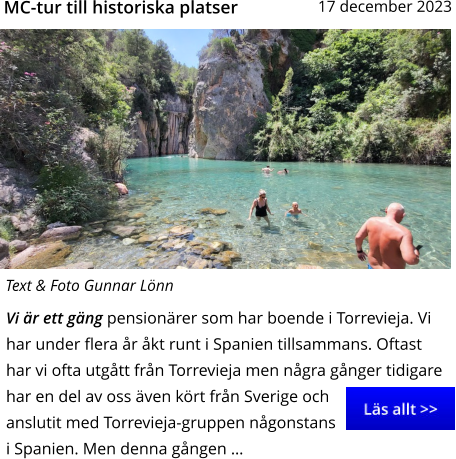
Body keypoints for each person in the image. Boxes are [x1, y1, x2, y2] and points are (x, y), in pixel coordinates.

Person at [355, 202, 421, 269]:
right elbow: (411, 260)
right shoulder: (404, 233)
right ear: (403, 215)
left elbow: (358, 237)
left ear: (386, 210)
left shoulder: (371, 221)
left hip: (372, 267)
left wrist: (359, 251)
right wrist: (416, 251)